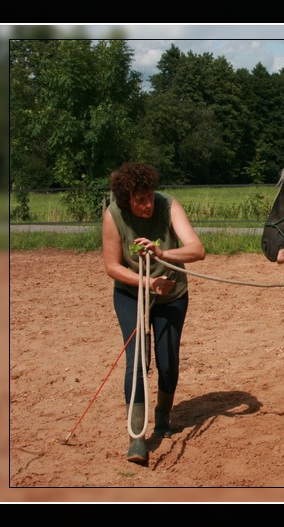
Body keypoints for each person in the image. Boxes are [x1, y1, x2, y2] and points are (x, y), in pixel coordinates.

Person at [102, 162, 206, 464]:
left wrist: (162, 254)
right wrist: (148, 281)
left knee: (168, 361)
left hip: (172, 294)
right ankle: (136, 436)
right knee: (136, 360)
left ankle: (163, 414)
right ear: (126, 200)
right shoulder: (113, 215)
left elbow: (197, 250)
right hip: (131, 294)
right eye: (139, 199)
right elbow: (112, 266)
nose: (147, 204)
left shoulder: (168, 205)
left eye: (149, 196)